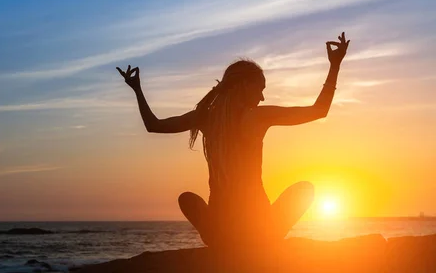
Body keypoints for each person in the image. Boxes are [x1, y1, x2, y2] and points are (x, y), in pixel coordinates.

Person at [116, 32, 350, 251]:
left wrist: (137, 90)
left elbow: (153, 125)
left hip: (220, 231)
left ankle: (224, 244)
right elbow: (319, 111)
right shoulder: (257, 117)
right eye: (260, 88)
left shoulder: (206, 118)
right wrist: (335, 66)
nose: (262, 96)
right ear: (243, 85)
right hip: (259, 229)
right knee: (305, 190)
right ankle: (266, 241)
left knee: (186, 198)